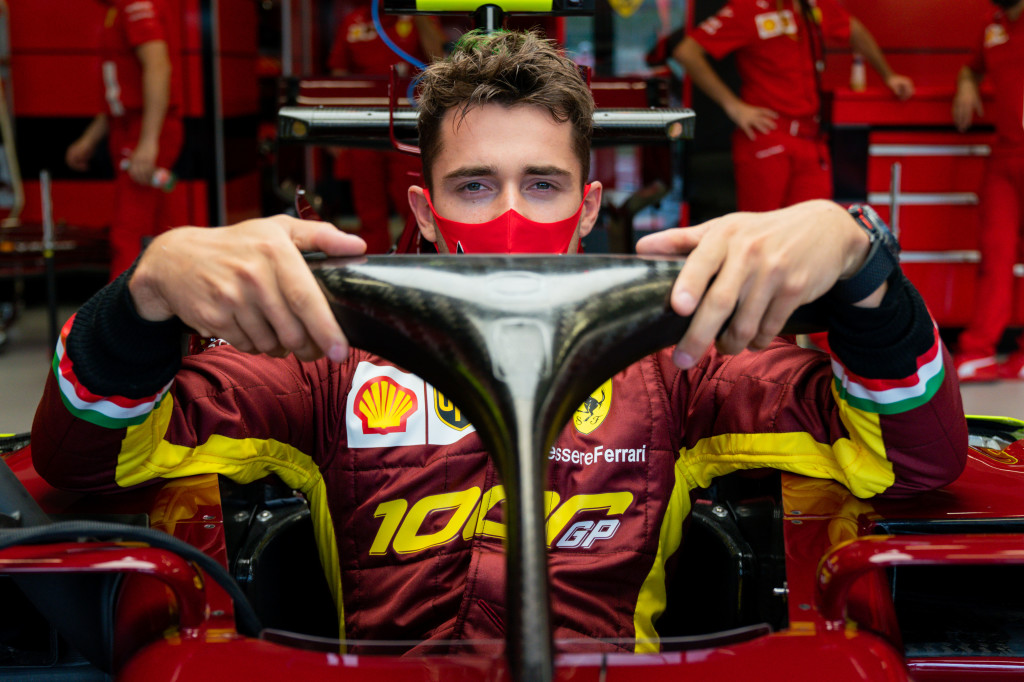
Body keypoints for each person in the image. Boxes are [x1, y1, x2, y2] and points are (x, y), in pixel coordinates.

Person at [32, 30, 966, 653]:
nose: (512, 212)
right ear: (425, 212)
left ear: (589, 206)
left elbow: (913, 461)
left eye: (544, 184)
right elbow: (87, 463)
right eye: (476, 186)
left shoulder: (677, 359)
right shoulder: (326, 355)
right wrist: (145, 292)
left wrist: (862, 267)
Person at [673, 0, 914, 213]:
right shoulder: (749, 8)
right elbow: (687, 52)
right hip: (768, 136)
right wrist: (734, 106)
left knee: (811, 234)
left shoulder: (815, 7)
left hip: (812, 139)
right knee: (762, 239)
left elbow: (855, 30)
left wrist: (888, 75)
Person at [65, 0, 183, 281]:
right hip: (132, 129)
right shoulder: (115, 10)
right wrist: (89, 140)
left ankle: (118, 319)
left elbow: (158, 68)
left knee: (128, 232)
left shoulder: (136, 6)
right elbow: (124, 94)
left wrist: (149, 141)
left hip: (145, 130)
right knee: (158, 228)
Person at [327, 2, 444, 253]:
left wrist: (417, 11)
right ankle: (371, 271)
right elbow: (339, 75)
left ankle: (420, 264)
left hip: (409, 126)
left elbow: (439, 60)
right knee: (369, 213)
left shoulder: (419, 15)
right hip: (364, 126)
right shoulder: (353, 22)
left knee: (414, 208)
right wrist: (335, 127)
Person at [951, 0, 1024, 382]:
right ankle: (979, 351)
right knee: (995, 252)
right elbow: (971, 65)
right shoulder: (992, 24)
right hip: (1006, 152)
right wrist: (966, 85)